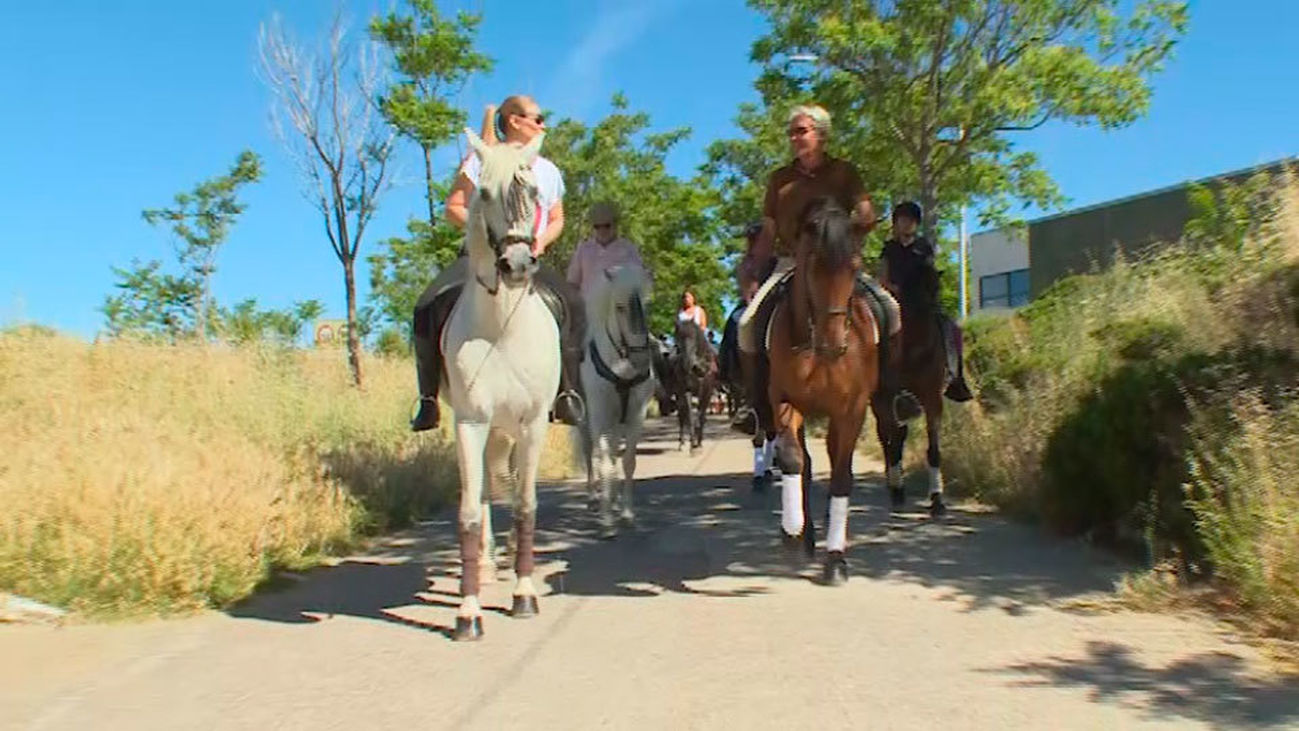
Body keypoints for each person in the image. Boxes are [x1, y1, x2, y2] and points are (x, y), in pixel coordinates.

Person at [409, 95, 585, 431]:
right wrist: (488, 233)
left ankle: (567, 392)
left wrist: (541, 240)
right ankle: (429, 400)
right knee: (426, 305)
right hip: (481, 255)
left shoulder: (548, 171)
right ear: (515, 121)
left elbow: (558, 217)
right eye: (538, 118)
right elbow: (454, 207)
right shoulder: (480, 160)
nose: (543, 125)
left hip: (527, 254)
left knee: (573, 303)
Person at [732, 103, 907, 433]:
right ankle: (754, 405)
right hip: (790, 262)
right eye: (792, 133)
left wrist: (846, 228)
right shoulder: (779, 180)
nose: (794, 138)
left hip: (838, 263)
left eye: (802, 131)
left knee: (891, 310)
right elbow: (769, 231)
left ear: (821, 135)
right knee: (747, 323)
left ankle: (892, 393)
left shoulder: (844, 173)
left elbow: (866, 213)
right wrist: (754, 269)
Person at [878, 201, 973, 402]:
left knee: (953, 329)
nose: (906, 224)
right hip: (896, 300)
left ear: (916, 224)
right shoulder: (889, 249)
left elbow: (930, 274)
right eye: (902, 220)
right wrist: (893, 289)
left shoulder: (923, 247)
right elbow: (883, 278)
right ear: (895, 223)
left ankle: (955, 376)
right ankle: (875, 377)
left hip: (921, 301)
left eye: (910, 221)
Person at [566, 201, 648, 298]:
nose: (602, 231)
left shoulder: (628, 249)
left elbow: (638, 281)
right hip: (586, 308)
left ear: (615, 224)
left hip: (617, 308)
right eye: (597, 226)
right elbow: (572, 283)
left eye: (607, 226)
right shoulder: (583, 250)